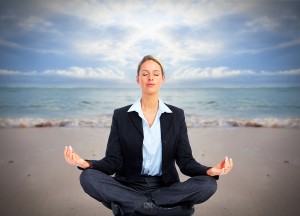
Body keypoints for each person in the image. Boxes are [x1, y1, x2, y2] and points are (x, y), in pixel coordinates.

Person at [64, 55, 233, 216]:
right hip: (129, 186)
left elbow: (186, 162)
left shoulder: (176, 115)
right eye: (145, 74)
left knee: (208, 184)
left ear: (162, 79)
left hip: (166, 189)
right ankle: (162, 210)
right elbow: (112, 162)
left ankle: (134, 207)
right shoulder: (121, 115)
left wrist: (210, 170)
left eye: (155, 74)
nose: (150, 78)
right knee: (87, 177)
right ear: (138, 79)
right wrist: (84, 163)